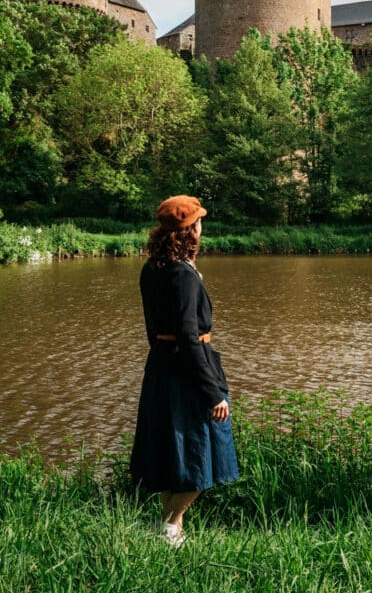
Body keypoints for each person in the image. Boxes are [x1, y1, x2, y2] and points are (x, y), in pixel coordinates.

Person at [129, 195, 238, 547]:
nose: (203, 226)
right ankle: (170, 526)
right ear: (191, 230)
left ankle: (172, 533)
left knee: (173, 456)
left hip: (161, 366)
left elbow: (152, 328)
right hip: (189, 371)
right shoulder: (184, 276)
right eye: (200, 222)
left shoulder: (152, 268)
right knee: (200, 457)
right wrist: (212, 392)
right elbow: (191, 339)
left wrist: (165, 354)